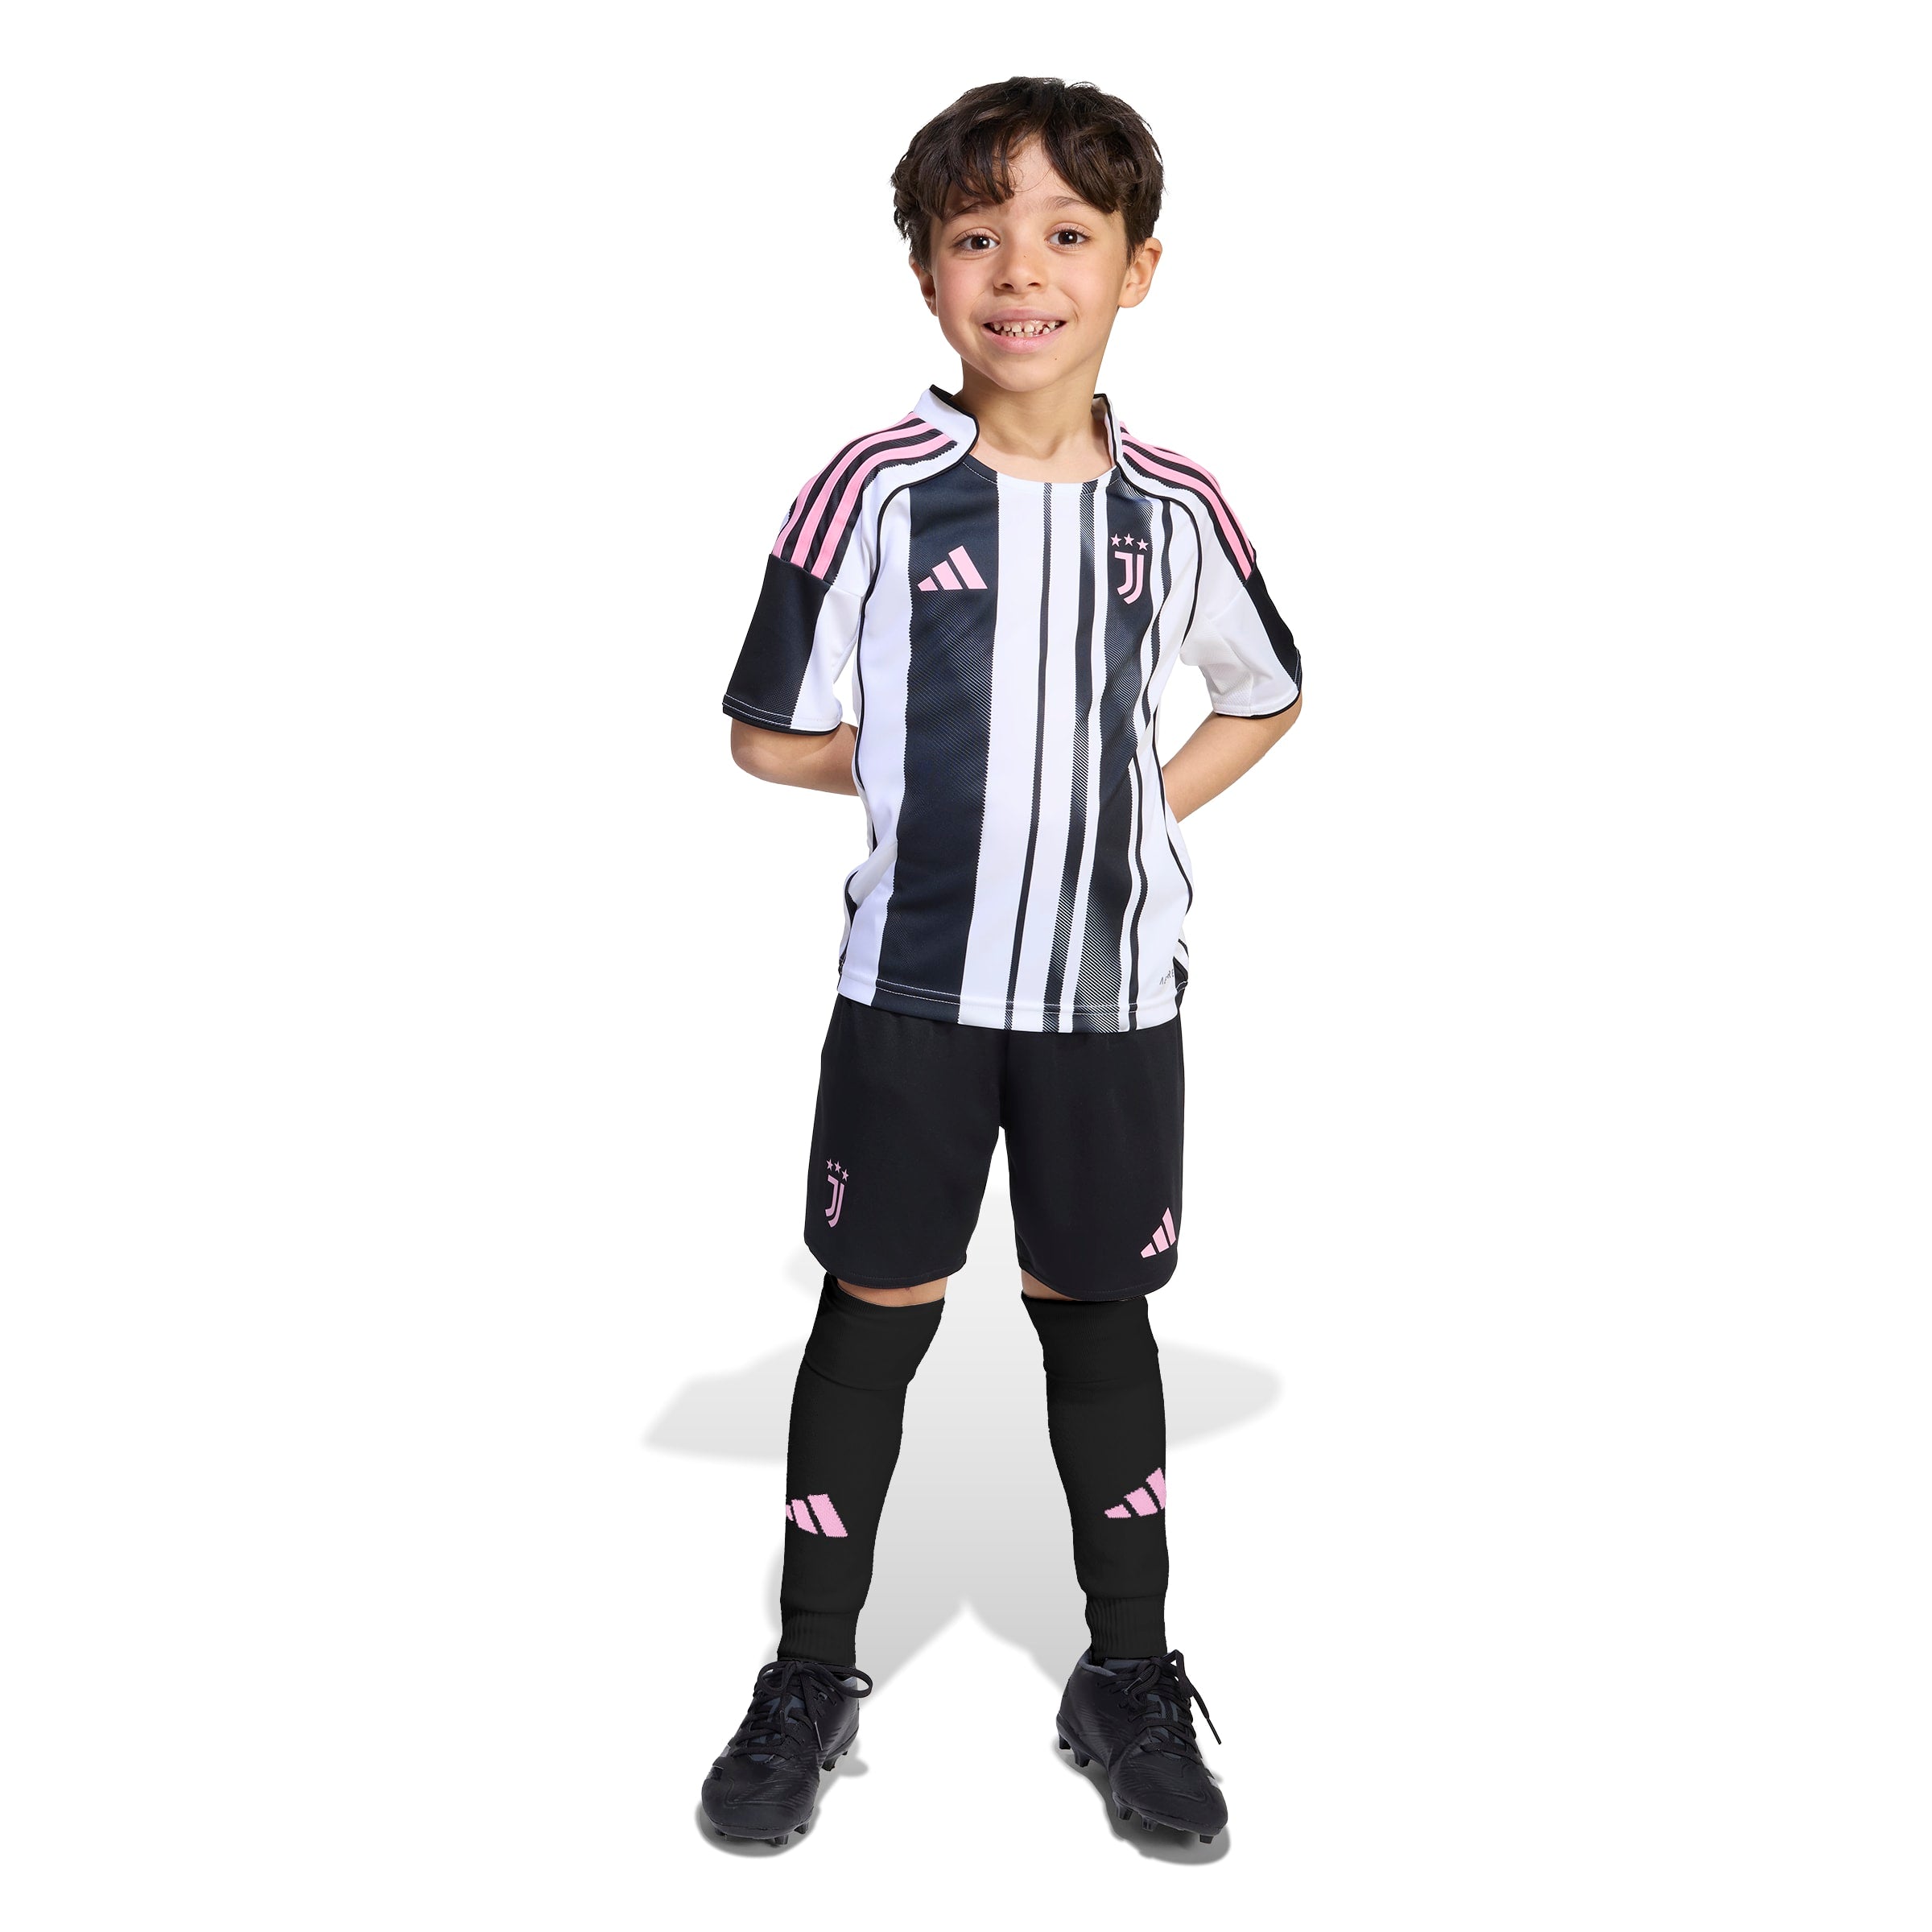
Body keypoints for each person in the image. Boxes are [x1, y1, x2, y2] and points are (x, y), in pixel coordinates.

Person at [700, 76, 1302, 1848]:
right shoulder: (873, 490)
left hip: (1113, 999)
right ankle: (810, 1675)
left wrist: (1134, 809)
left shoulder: (1175, 507)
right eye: (978, 237)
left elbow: (1264, 692)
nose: (1021, 272)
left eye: (1066, 235)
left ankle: (1128, 1673)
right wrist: (914, 771)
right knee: (873, 1309)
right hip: (917, 992)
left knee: (1096, 1313)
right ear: (926, 274)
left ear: (1138, 268)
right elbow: (766, 732)